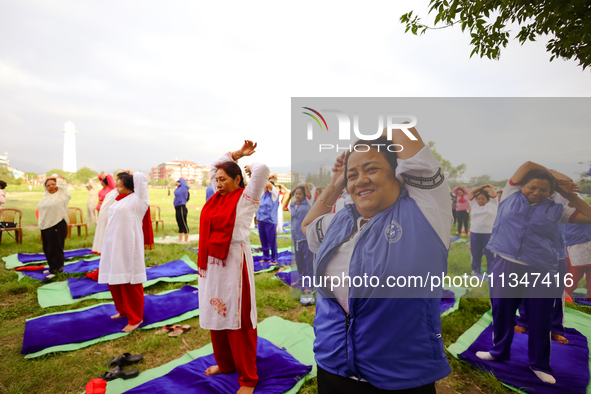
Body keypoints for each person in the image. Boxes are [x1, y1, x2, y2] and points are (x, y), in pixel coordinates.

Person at [302, 125, 452, 393]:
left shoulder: (426, 214)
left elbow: (402, 131)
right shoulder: (341, 220)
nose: (360, 180)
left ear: (398, 174)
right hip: (332, 367)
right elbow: (308, 227)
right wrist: (337, 181)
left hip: (400, 377)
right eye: (353, 175)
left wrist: (369, 141)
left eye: (371, 169)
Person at [476, 162, 591, 384]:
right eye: (532, 187)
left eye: (543, 190)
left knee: (540, 316)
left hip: (541, 268)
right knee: (502, 310)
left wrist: (570, 195)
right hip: (506, 263)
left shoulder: (557, 209)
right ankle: (499, 351)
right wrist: (554, 175)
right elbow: (527, 164)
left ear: (551, 193)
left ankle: (539, 364)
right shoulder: (509, 194)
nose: (536, 193)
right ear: (521, 186)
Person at [198, 140, 268, 394]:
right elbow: (214, 167)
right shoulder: (216, 198)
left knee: (239, 320)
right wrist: (235, 153)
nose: (217, 183)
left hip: (235, 265)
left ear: (238, 179)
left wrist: (250, 164)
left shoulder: (246, 199)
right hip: (212, 266)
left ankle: (248, 378)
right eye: (216, 179)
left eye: (223, 179)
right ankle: (225, 363)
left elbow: (263, 170)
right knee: (217, 315)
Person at [98, 171, 150, 332]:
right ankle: (123, 310)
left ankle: (135, 318)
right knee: (114, 280)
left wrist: (133, 173)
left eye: (120, 181)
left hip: (129, 246)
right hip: (112, 245)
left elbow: (142, 180)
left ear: (128, 183)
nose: (117, 184)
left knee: (130, 282)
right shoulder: (117, 198)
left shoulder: (138, 200)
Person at [284, 183, 315, 305]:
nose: (297, 196)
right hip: (296, 238)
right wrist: (290, 194)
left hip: (306, 238)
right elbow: (283, 206)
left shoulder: (309, 203)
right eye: (296, 194)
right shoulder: (293, 205)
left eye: (299, 193)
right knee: (300, 261)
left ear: (305, 195)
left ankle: (308, 285)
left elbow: (308, 192)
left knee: (308, 263)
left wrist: (303, 185)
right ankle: (301, 279)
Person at [37, 175, 71, 276]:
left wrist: (56, 177)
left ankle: (57, 270)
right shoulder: (45, 196)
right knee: (47, 249)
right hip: (46, 226)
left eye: (53, 184)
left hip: (58, 224)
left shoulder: (62, 194)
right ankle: (52, 267)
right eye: (48, 185)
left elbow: (62, 184)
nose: (51, 186)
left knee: (55, 248)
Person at [467, 184, 498, 276]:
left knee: (490, 255)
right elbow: (471, 192)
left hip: (489, 233)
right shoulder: (474, 204)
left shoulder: (493, 203)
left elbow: (491, 190)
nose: (480, 200)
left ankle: (491, 272)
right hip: (475, 232)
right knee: (476, 253)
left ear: (487, 199)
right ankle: (476, 270)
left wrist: (487, 187)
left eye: (483, 198)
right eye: (479, 198)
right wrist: (483, 186)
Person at [256, 177, 279, 264]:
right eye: (264, 187)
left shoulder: (274, 194)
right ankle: (266, 257)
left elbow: (269, 184)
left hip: (270, 221)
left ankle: (274, 259)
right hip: (261, 220)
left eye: (267, 187)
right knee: (263, 240)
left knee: (272, 241)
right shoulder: (262, 194)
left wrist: (267, 177)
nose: (266, 188)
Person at [565, 222, 591, 299]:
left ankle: (566, 295)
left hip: (577, 239)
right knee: (574, 272)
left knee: (575, 272)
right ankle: (565, 295)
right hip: (576, 241)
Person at [174, 178, 190, 243]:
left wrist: (180, 179)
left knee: (184, 223)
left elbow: (183, 182)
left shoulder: (184, 188)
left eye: (178, 182)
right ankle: (180, 239)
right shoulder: (179, 189)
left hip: (181, 207)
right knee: (179, 223)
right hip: (177, 208)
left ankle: (186, 240)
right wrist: (177, 183)